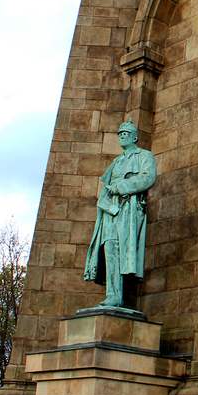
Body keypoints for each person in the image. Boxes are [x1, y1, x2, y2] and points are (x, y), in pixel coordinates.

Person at [84, 119, 157, 308]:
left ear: (135, 137)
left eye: (126, 133)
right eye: (120, 134)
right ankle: (113, 295)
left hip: (129, 208)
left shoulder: (144, 156)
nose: (122, 136)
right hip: (110, 210)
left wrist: (121, 187)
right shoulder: (116, 162)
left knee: (122, 248)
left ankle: (117, 295)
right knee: (110, 248)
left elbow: (148, 177)